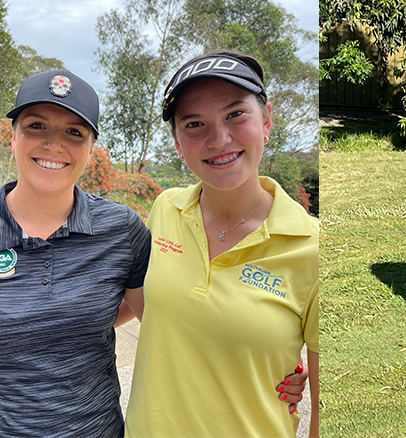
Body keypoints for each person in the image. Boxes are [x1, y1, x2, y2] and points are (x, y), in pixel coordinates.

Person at [0, 69, 305, 437]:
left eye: (74, 132)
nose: (54, 145)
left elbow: (165, 316)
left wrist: (269, 361)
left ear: (91, 148)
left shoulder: (120, 230)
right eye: (36, 126)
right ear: (13, 137)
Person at [123, 51, 319, 438]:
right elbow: (156, 311)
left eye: (235, 115)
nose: (219, 139)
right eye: (194, 124)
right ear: (178, 143)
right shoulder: (166, 209)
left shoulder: (312, 247)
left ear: (266, 121)